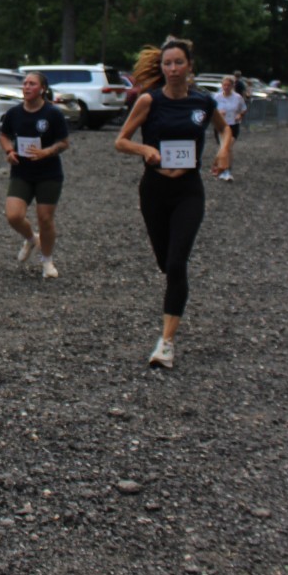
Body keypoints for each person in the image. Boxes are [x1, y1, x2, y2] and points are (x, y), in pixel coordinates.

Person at [115, 37, 231, 369]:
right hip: (154, 189)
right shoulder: (149, 101)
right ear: (162, 67)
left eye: (179, 62)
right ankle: (173, 296)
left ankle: (165, 343)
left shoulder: (203, 102)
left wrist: (224, 151)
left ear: (189, 66)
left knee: (178, 264)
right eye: (168, 63)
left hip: (188, 190)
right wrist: (145, 150)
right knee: (166, 263)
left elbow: (225, 130)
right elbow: (121, 141)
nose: (173, 68)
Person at [0, 72, 70, 280]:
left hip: (48, 173)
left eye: (32, 84)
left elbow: (64, 142)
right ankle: (31, 239)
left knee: (45, 219)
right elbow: (3, 135)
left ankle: (47, 261)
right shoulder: (14, 113)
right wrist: (9, 151)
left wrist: (46, 152)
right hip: (21, 171)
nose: (27, 87)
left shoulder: (52, 113)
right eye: (25, 83)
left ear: (42, 89)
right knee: (13, 216)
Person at [213, 74, 246, 182]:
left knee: (227, 147)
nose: (226, 87)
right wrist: (218, 113)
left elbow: (244, 109)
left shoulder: (238, 97)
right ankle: (223, 170)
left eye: (228, 85)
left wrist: (240, 115)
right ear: (222, 85)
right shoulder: (216, 97)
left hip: (233, 125)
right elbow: (211, 111)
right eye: (224, 85)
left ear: (232, 86)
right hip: (220, 125)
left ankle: (225, 170)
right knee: (224, 147)